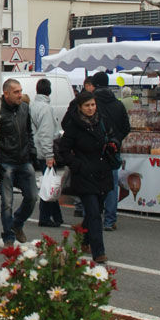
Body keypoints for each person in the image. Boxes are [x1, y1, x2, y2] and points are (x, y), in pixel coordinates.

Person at [60, 90, 114, 264]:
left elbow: (114, 135)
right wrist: (78, 165)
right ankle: (99, 252)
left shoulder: (101, 121)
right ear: (80, 107)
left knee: (97, 210)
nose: (91, 108)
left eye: (93, 105)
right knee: (93, 213)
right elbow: (63, 151)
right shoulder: (73, 126)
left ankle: (83, 234)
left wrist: (115, 144)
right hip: (84, 174)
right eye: (87, 106)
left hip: (102, 171)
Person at [0, 78, 38, 245]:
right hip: (6, 161)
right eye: (16, 92)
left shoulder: (25, 108)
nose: (20, 95)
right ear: (6, 93)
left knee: (32, 197)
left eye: (20, 91)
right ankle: (8, 236)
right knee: (7, 202)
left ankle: (17, 223)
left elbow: (28, 132)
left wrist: (32, 153)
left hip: (24, 159)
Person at [87, 71, 130, 231]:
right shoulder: (118, 104)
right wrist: (116, 140)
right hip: (112, 149)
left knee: (92, 184)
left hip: (93, 149)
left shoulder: (90, 103)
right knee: (111, 184)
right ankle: (110, 220)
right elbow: (126, 127)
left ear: (94, 84)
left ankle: (92, 218)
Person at [29, 77, 64, 228]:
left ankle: (57, 216)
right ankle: (45, 216)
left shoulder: (32, 105)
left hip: (36, 148)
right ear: (49, 91)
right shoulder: (46, 109)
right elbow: (46, 133)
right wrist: (49, 154)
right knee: (48, 184)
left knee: (48, 181)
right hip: (44, 150)